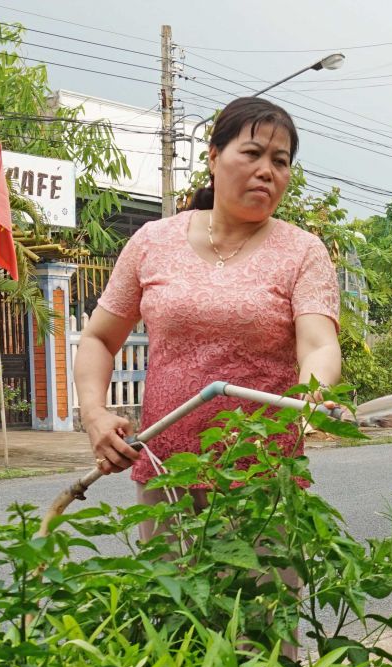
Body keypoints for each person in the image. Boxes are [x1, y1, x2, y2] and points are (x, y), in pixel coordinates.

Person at [74, 97, 342, 520]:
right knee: (167, 587)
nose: (267, 171)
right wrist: (94, 413)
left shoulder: (303, 252)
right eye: (252, 153)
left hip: (263, 472)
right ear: (214, 157)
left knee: (261, 587)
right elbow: (99, 338)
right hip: (165, 469)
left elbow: (318, 345)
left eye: (281, 160)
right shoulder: (151, 241)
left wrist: (313, 396)